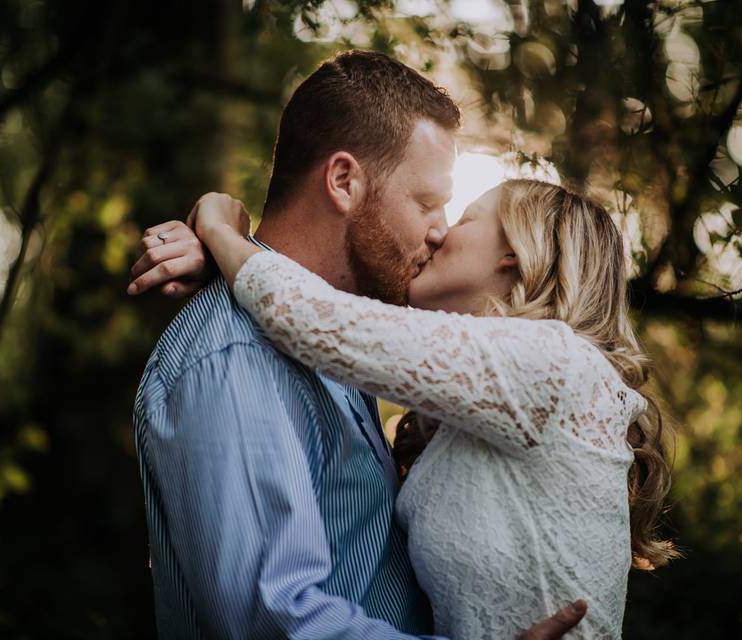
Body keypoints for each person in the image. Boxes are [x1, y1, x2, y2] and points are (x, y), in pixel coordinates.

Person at [129, 49, 589, 639]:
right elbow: (273, 619)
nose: (440, 229)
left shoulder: (336, 342)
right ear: (343, 181)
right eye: (426, 201)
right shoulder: (236, 356)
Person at [146, 181, 676, 639]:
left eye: (466, 218)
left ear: (514, 253)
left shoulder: (557, 365)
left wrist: (222, 234)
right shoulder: (479, 413)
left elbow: (315, 319)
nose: (441, 233)